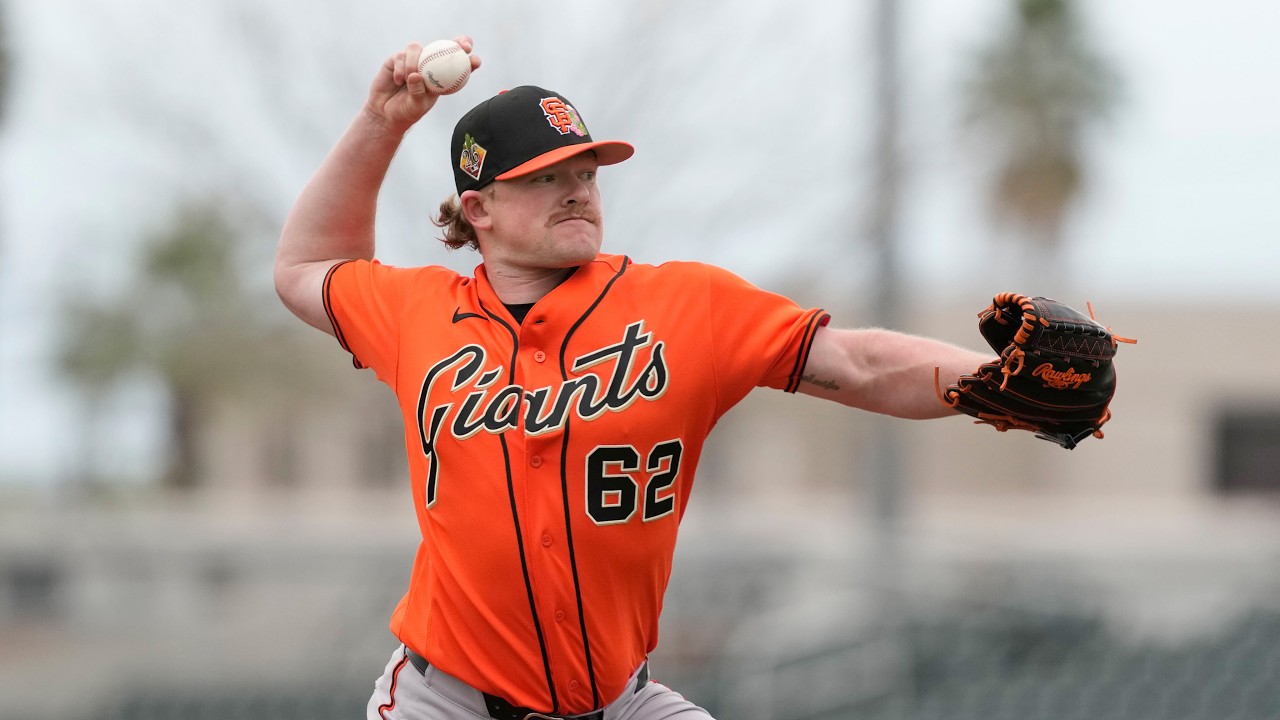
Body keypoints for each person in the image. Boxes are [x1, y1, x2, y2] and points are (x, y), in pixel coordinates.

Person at [275, 37, 993, 720]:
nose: (577, 192)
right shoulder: (416, 313)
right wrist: (380, 122)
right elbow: (304, 269)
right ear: (478, 208)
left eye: (585, 172)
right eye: (544, 177)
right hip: (447, 699)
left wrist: (995, 383)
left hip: (617, 701)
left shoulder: (685, 306)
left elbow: (858, 362)